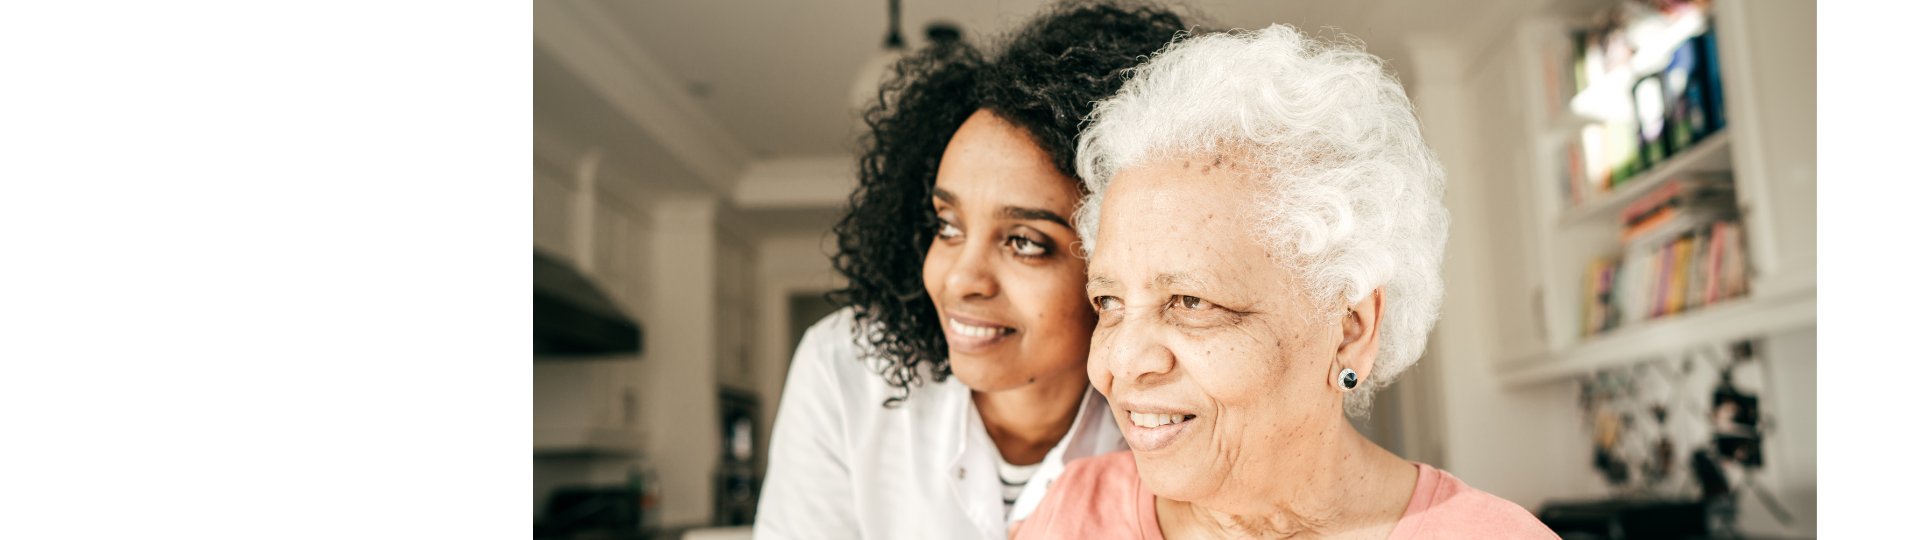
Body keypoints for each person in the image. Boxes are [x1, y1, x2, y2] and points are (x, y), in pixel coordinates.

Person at [1013, 25, 1557, 538]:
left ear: (1348, 331)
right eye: (1108, 301)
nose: (1121, 363)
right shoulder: (1069, 513)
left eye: (1190, 301)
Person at [754, 3, 1189, 538]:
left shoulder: (1174, 409)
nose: (960, 279)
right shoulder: (845, 369)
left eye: (1025, 242)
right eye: (948, 226)